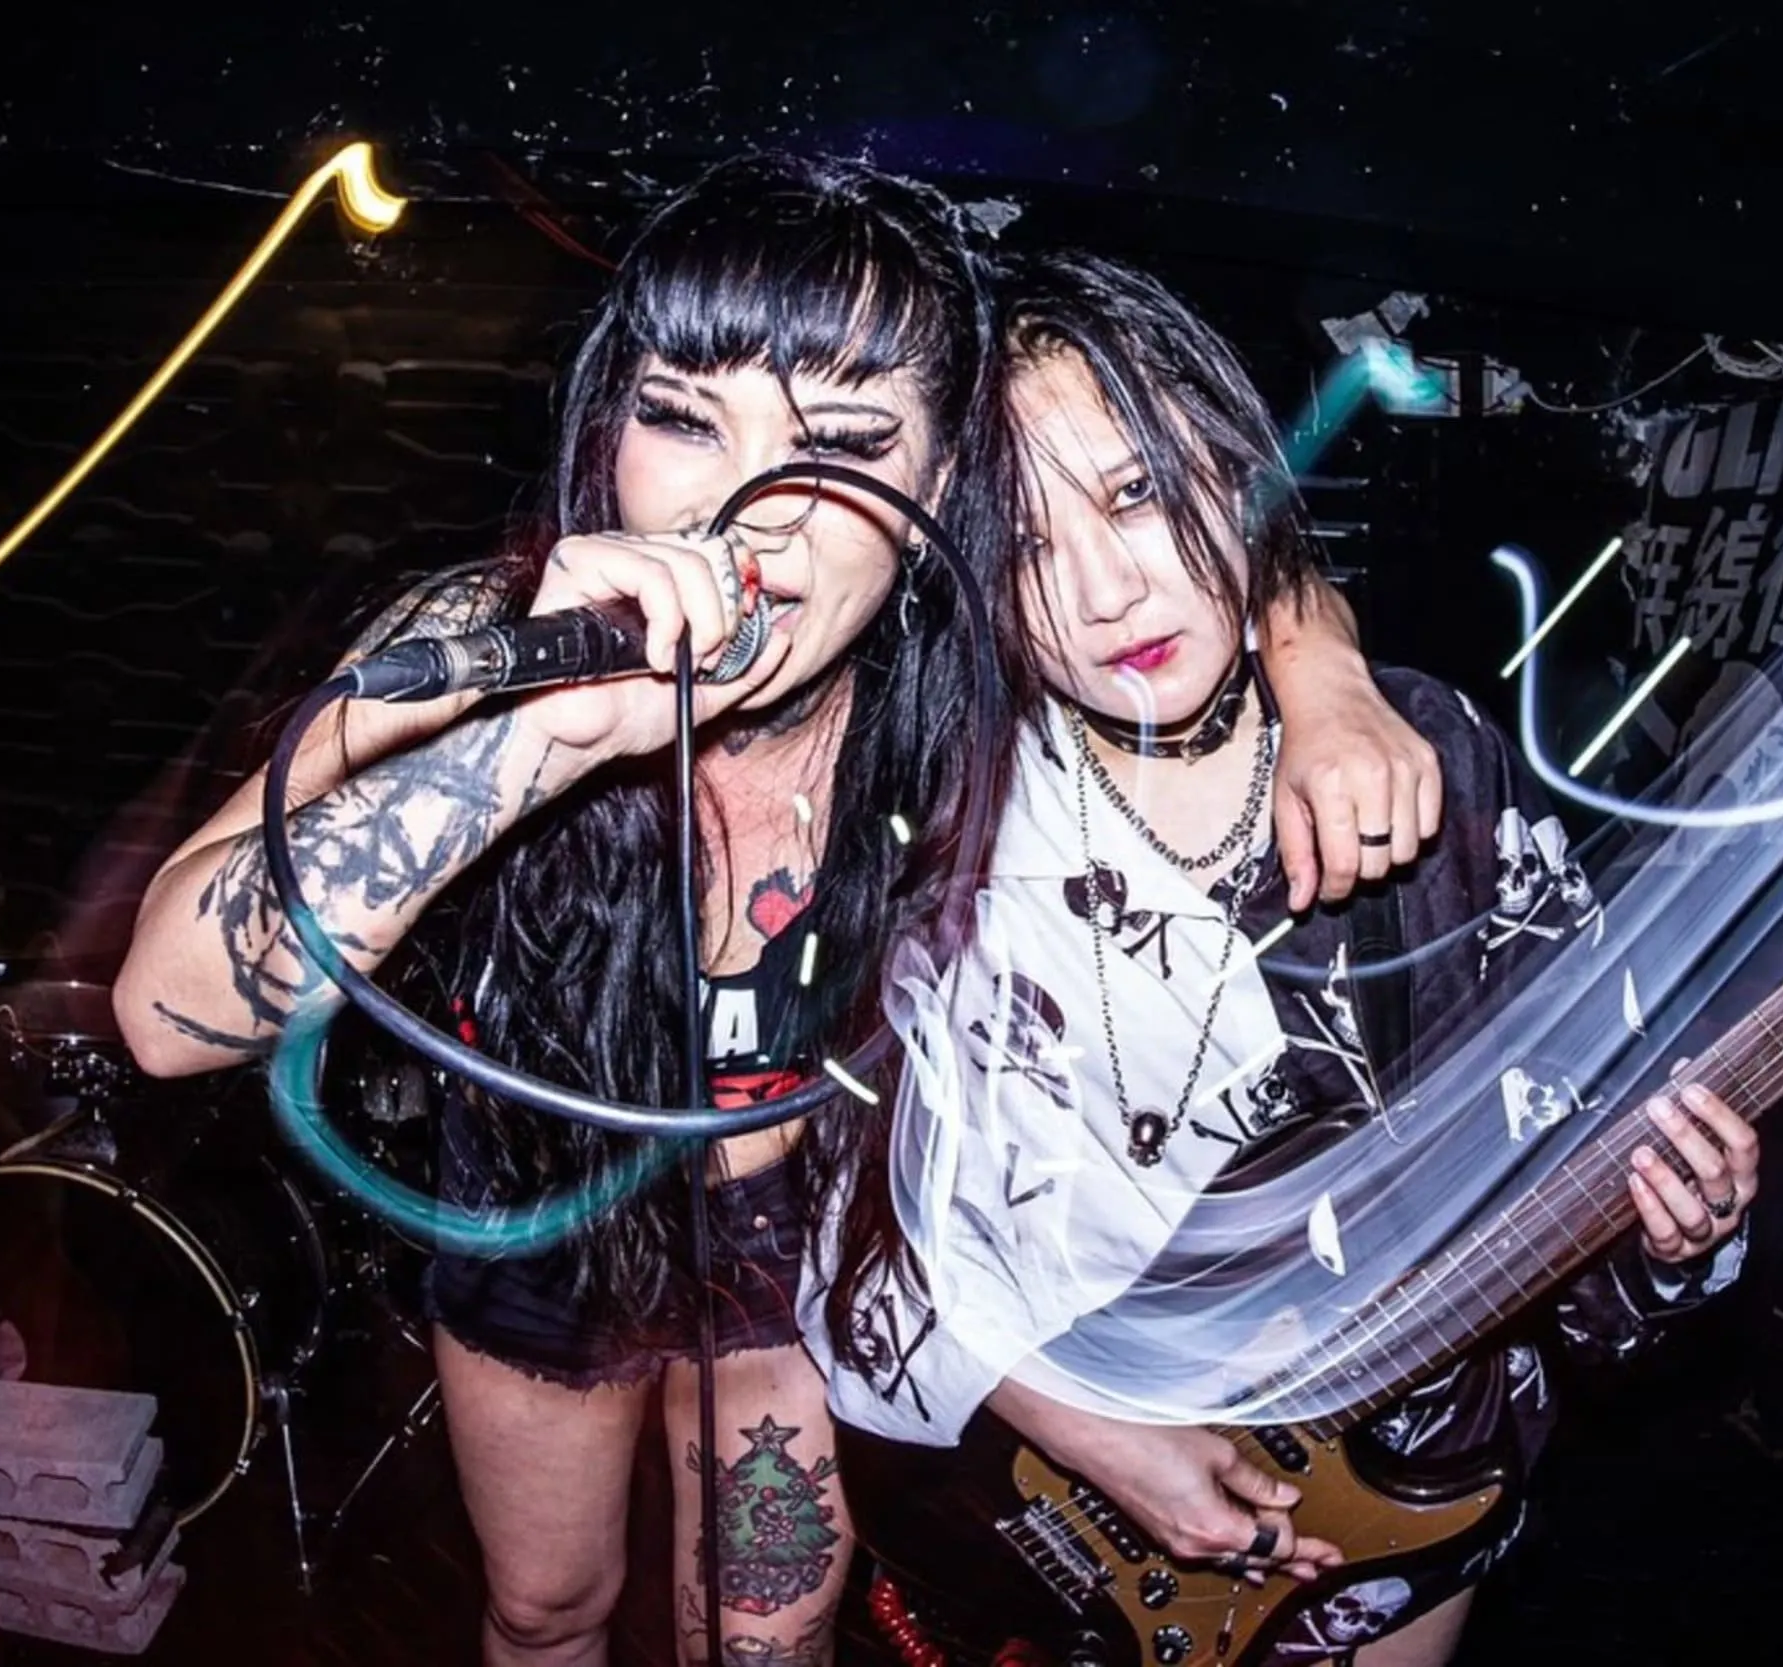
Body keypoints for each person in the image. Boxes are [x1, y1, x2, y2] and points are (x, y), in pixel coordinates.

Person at [112, 159, 1440, 1667]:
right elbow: (164, 1017)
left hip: (802, 1252)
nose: (744, 513)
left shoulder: (972, 688)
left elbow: (1218, 555)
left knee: (763, 1639)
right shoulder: (487, 634)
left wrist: (1325, 676)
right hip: (543, 1208)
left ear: (938, 493)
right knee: (545, 1607)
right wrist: (547, 736)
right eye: (685, 418)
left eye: (847, 443)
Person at [809, 251, 1760, 1665]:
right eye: (1024, 546)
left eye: (1138, 492)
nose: (1106, 590)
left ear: (1231, 466)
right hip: (1058, 1526)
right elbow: (853, 1206)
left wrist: (1684, 1231)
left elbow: (1578, 1147)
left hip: (1409, 1498)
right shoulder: (944, 830)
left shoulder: (1426, 758)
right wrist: (1084, 1422)